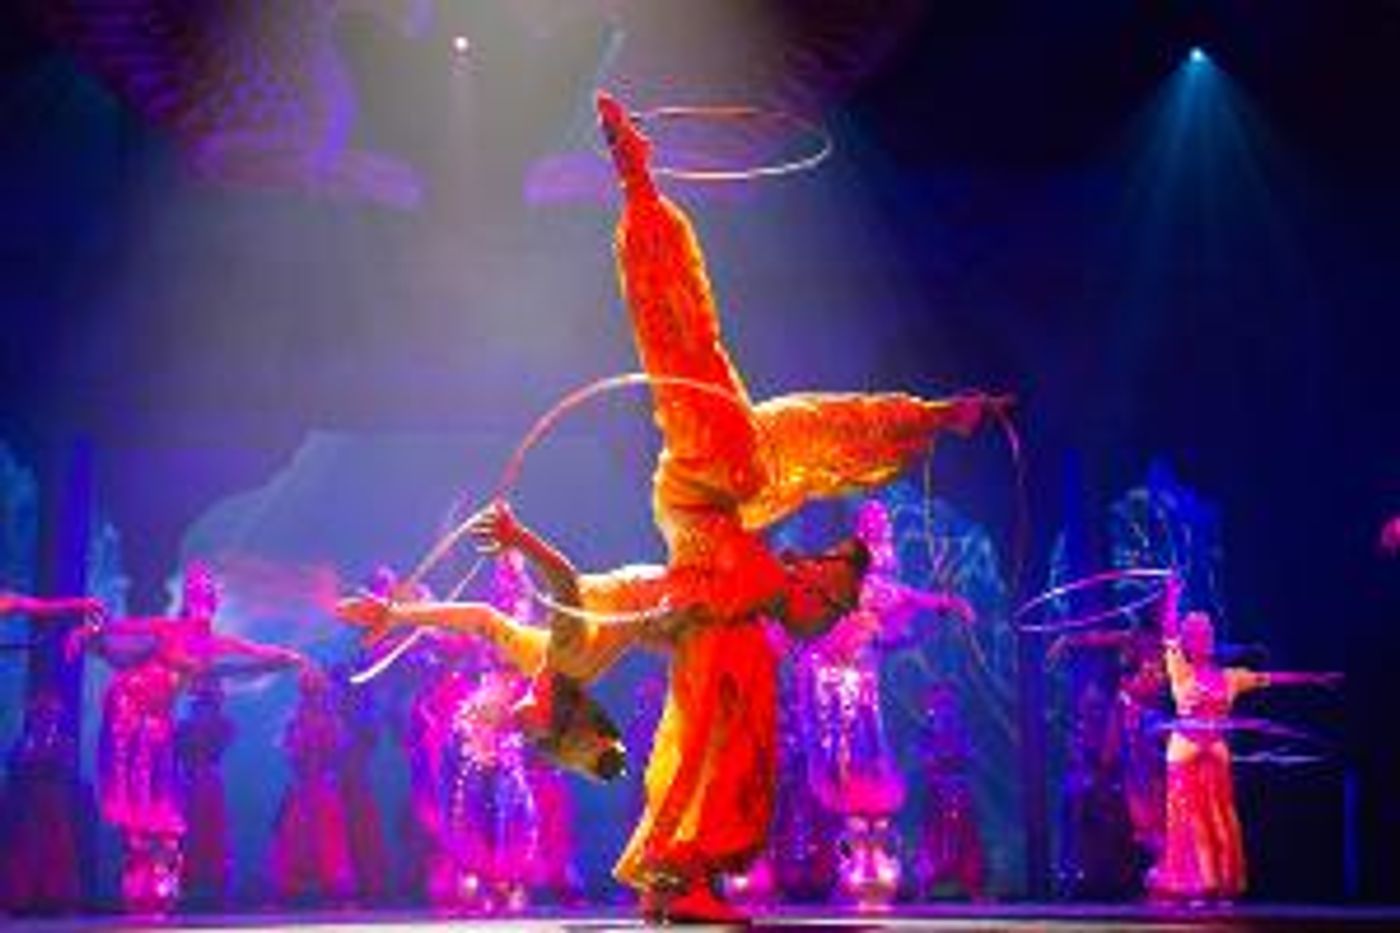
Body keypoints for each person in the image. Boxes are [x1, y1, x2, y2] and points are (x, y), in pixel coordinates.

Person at [67, 561, 309, 914]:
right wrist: (91, 637)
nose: (202, 600)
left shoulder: (214, 644)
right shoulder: (164, 629)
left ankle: (156, 880)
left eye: (207, 594)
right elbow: (118, 634)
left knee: (158, 808)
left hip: (157, 723)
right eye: (196, 593)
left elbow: (249, 656)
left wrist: (286, 658)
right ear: (186, 601)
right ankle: (142, 875)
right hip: (129, 714)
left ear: (213, 603)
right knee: (139, 802)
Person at [1146, 574, 1341, 904]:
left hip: (1216, 749)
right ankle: (1201, 885)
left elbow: (1272, 679)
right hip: (1185, 748)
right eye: (1196, 634)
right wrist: (1171, 595)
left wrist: (1316, 678)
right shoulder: (1179, 667)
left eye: (1207, 633)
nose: (1203, 638)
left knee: (1222, 817)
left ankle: (1223, 883)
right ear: (1188, 641)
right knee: (1193, 819)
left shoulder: (1231, 678)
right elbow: (1167, 630)